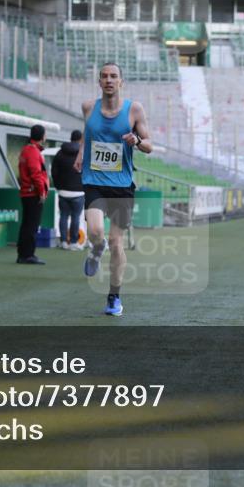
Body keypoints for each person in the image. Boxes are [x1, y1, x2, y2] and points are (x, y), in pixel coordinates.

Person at [75, 63, 153, 316]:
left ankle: (113, 297)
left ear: (121, 82)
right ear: (99, 82)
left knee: (116, 242)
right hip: (95, 181)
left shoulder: (134, 110)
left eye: (114, 76)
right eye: (104, 76)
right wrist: (80, 153)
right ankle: (96, 250)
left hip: (122, 186)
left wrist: (137, 141)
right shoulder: (88, 107)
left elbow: (149, 145)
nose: (109, 80)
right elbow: (89, 133)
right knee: (96, 231)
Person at [17, 124, 49, 265]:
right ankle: (27, 254)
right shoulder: (33, 152)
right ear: (42, 136)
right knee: (31, 225)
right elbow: (36, 174)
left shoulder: (26, 150)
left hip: (27, 192)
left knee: (27, 224)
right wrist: (41, 192)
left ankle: (23, 253)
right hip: (32, 193)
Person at [51, 129, 85, 250]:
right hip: (79, 191)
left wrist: (58, 186)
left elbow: (54, 172)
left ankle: (64, 241)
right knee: (76, 216)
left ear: (70, 138)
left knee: (64, 216)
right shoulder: (83, 153)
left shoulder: (60, 153)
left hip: (63, 191)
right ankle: (74, 243)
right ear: (81, 139)